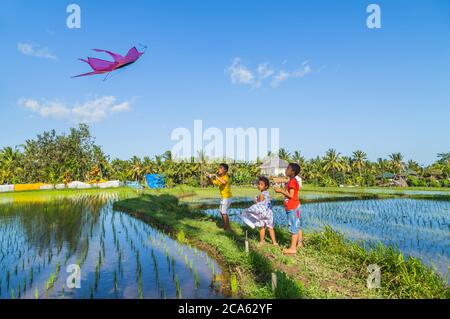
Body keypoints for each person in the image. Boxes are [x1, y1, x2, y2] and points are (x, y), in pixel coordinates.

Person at [240, 177, 278, 246]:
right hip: (269, 213)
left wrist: (255, 201)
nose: (259, 185)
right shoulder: (267, 193)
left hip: (263, 213)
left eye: (261, 184)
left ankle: (261, 241)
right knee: (270, 228)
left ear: (266, 186)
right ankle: (274, 242)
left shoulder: (261, 194)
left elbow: (259, 204)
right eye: (259, 184)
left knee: (262, 227)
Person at [274, 163, 303, 254]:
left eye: (288, 169)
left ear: (293, 172)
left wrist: (280, 190)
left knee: (293, 226)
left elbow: (291, 195)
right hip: (295, 206)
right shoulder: (291, 181)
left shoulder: (292, 182)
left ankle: (292, 248)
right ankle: (299, 243)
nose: (286, 170)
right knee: (297, 225)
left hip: (293, 207)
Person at [207, 163, 232, 231]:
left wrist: (215, 176)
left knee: (223, 212)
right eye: (219, 168)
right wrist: (209, 178)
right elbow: (212, 183)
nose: (219, 169)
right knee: (222, 212)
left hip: (227, 197)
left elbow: (224, 182)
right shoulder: (219, 177)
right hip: (224, 198)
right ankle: (226, 226)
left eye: (221, 168)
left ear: (225, 170)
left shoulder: (225, 176)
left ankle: (227, 228)